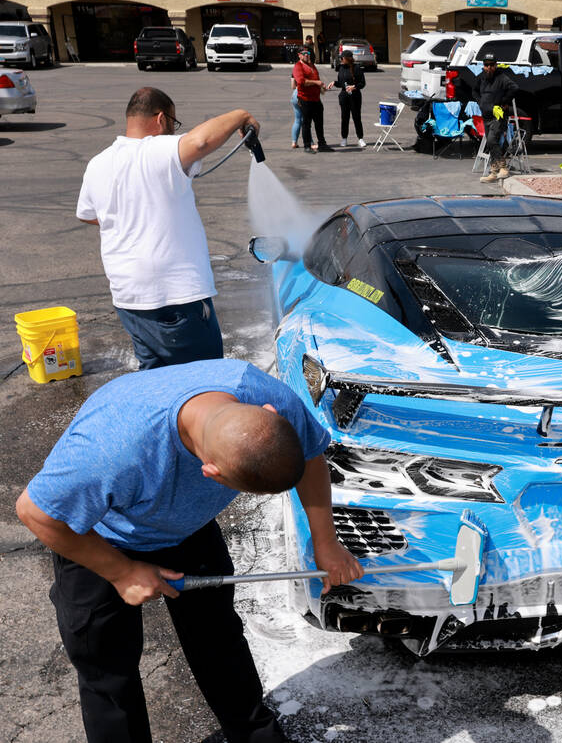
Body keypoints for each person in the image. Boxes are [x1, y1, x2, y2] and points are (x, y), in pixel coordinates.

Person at [14, 358, 364, 743]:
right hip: (100, 540)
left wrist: (326, 543)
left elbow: (309, 456)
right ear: (209, 471)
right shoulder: (111, 449)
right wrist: (121, 572)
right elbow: (35, 512)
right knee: (106, 666)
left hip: (188, 529)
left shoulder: (266, 396)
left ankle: (254, 735)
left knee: (219, 640)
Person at [77, 87, 259, 370]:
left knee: (157, 382)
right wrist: (241, 115)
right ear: (161, 119)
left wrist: (130, 215)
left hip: (129, 300)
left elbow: (88, 214)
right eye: (174, 123)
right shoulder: (159, 149)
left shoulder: (98, 163)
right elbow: (199, 142)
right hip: (173, 298)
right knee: (205, 384)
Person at [475, 52, 519, 184]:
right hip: (486, 115)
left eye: (491, 65)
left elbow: (514, 88)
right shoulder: (481, 77)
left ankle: (504, 168)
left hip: (498, 116)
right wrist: (480, 101)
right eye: (486, 65)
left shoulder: (502, 77)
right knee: (490, 143)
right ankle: (493, 172)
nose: (489, 67)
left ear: (495, 65)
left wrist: (504, 102)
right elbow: (474, 91)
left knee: (492, 139)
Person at [292, 47, 331, 154]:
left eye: (308, 53)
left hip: (316, 99)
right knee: (306, 123)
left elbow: (317, 80)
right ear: (299, 55)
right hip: (305, 99)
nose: (307, 55)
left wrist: (322, 87)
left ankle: (322, 144)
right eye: (304, 53)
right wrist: (316, 82)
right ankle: (307, 145)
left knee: (319, 123)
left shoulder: (311, 65)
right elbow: (301, 82)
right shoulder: (298, 66)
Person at [328, 49, 366, 147]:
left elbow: (362, 83)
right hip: (344, 96)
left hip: (355, 96)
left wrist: (354, 87)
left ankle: (360, 138)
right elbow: (341, 83)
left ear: (348, 59)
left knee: (356, 117)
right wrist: (334, 83)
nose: (341, 59)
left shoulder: (357, 68)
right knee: (344, 118)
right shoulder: (341, 68)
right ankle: (344, 138)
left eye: (342, 58)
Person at [289, 73, 302, 149]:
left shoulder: (294, 71)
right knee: (306, 121)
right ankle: (310, 142)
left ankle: (294, 142)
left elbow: (293, 86)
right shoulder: (308, 69)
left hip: (295, 94)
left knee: (297, 120)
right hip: (303, 95)